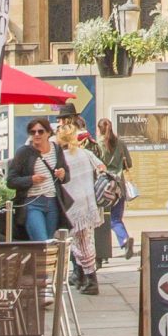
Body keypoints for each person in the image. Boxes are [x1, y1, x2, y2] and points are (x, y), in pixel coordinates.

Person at [56, 116, 103, 294]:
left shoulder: (62, 158)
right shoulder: (85, 153)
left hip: (73, 206)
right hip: (88, 202)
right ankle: (84, 277)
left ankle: (91, 280)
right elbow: (102, 167)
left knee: (81, 243)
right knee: (83, 242)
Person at [7, 119, 67, 243]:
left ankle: (43, 263)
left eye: (40, 131)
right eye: (32, 132)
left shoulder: (56, 149)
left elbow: (66, 175)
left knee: (50, 243)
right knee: (42, 242)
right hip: (32, 203)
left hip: (53, 202)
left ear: (48, 133)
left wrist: (62, 174)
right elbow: (11, 181)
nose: (36, 135)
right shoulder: (24, 152)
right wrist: (31, 179)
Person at [94, 118, 134, 267]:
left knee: (101, 220)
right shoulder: (121, 143)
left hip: (104, 187)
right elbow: (129, 163)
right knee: (116, 218)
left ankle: (101, 254)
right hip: (119, 187)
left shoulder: (98, 144)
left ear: (99, 129)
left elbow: (95, 165)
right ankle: (124, 240)